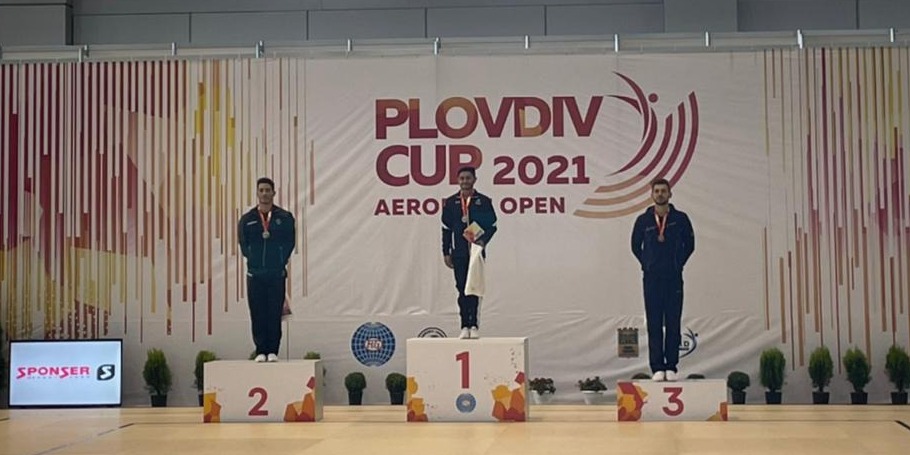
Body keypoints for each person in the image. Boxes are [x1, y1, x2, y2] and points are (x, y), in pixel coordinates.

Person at [630, 178, 694, 381]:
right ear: (652, 195)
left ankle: (671, 366)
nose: (660, 194)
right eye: (656, 191)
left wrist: (678, 264)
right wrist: (647, 264)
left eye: (663, 191)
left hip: (673, 278)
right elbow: (635, 246)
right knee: (654, 322)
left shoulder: (680, 218)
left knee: (673, 322)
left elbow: (690, 245)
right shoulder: (643, 221)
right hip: (652, 279)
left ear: (670, 194)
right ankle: (657, 366)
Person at [238, 177, 296, 362]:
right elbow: (243, 244)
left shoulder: (284, 218)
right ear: (257, 193)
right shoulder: (247, 219)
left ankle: (273, 351)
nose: (264, 193)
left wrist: (279, 260)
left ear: (273, 193)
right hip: (255, 274)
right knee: (257, 313)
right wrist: (253, 259)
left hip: (276, 274)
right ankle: (260, 350)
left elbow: (290, 242)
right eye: (261, 190)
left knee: (274, 313)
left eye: (267, 190)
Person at [441, 166, 498, 339]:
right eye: (462, 178)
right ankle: (464, 325)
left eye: (468, 178)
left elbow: (492, 225)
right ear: (458, 180)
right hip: (458, 253)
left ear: (474, 180)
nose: (465, 181)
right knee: (461, 289)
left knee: (474, 288)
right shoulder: (451, 202)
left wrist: (482, 241)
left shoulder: (483, 201)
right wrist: (446, 252)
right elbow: (446, 229)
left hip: (476, 252)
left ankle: (474, 325)